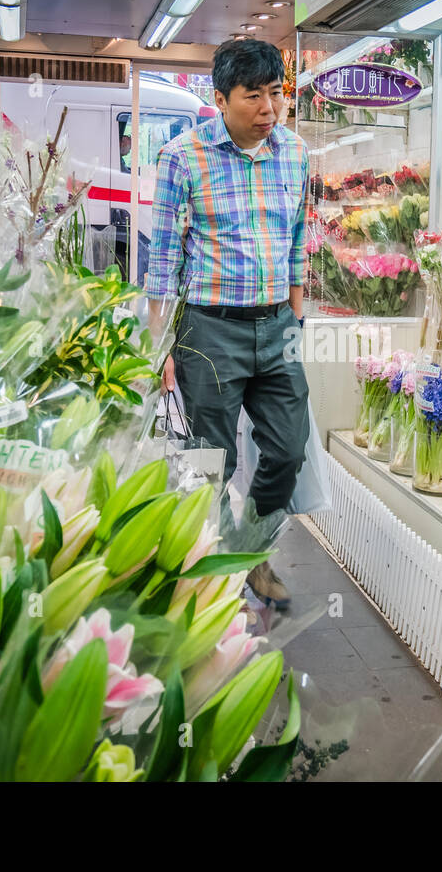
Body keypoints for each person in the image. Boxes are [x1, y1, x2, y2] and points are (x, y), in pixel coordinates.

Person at [145, 39, 309, 610]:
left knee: (289, 449)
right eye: (253, 96)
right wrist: (159, 344)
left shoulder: (295, 152)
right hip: (208, 330)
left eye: (276, 94)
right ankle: (213, 575)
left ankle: (252, 546)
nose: (269, 109)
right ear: (219, 99)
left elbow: (295, 241)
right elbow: (162, 260)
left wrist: (297, 314)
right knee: (212, 459)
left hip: (277, 325)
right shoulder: (182, 158)